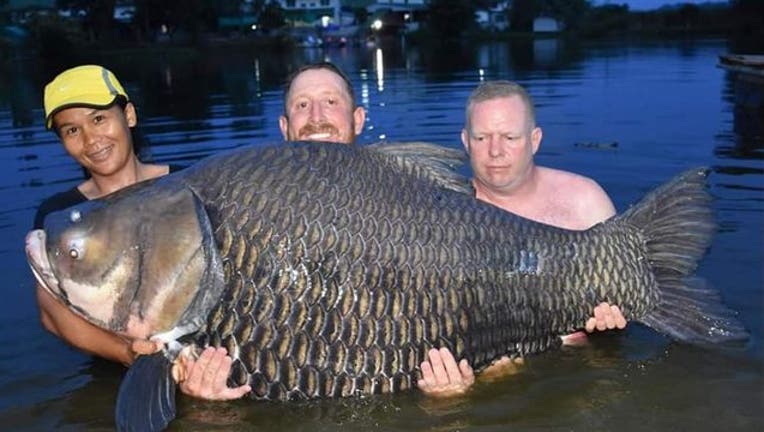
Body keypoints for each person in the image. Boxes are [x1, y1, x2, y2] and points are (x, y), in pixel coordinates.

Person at [32, 64, 249, 401]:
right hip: (115, 373)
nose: (91, 139)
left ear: (129, 115)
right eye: (72, 130)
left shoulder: (189, 185)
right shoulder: (61, 219)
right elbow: (52, 314)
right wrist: (130, 353)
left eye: (99, 119)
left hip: (210, 360)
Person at [417, 80, 628, 397]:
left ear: (535, 140)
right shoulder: (440, 217)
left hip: (579, 369)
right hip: (491, 376)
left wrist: (614, 323)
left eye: (510, 137)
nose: (495, 150)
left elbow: (627, 300)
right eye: (481, 137)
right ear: (465, 141)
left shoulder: (584, 201)